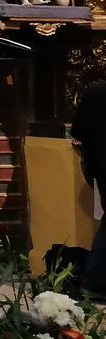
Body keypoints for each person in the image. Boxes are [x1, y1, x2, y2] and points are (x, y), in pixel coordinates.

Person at [72, 81, 106, 299]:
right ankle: (94, 282)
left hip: (101, 168)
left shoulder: (93, 92)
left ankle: (95, 282)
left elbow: (77, 132)